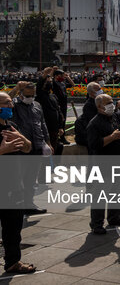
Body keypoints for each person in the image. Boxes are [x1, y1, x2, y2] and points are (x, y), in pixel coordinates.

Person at [86, 88, 120, 234]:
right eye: (108, 103)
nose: (112, 105)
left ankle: (114, 217)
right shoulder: (94, 123)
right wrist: (112, 137)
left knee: (117, 193)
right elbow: (94, 145)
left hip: (118, 163)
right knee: (100, 195)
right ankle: (97, 224)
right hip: (103, 166)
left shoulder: (115, 117)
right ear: (99, 107)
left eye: (112, 102)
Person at [0, 91, 36, 275]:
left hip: (14, 186)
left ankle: (13, 262)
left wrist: (22, 139)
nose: (11, 106)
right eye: (7, 103)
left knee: (13, 228)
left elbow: (29, 147)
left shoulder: (12, 126)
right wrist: (2, 151)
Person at [11, 82, 51, 214]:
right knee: (18, 179)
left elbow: (42, 124)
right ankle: (17, 206)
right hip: (21, 148)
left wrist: (47, 142)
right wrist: (16, 88)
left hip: (37, 146)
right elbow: (4, 99)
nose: (31, 98)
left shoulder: (37, 105)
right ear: (20, 94)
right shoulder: (13, 105)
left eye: (33, 95)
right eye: (28, 95)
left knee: (31, 179)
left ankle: (29, 204)